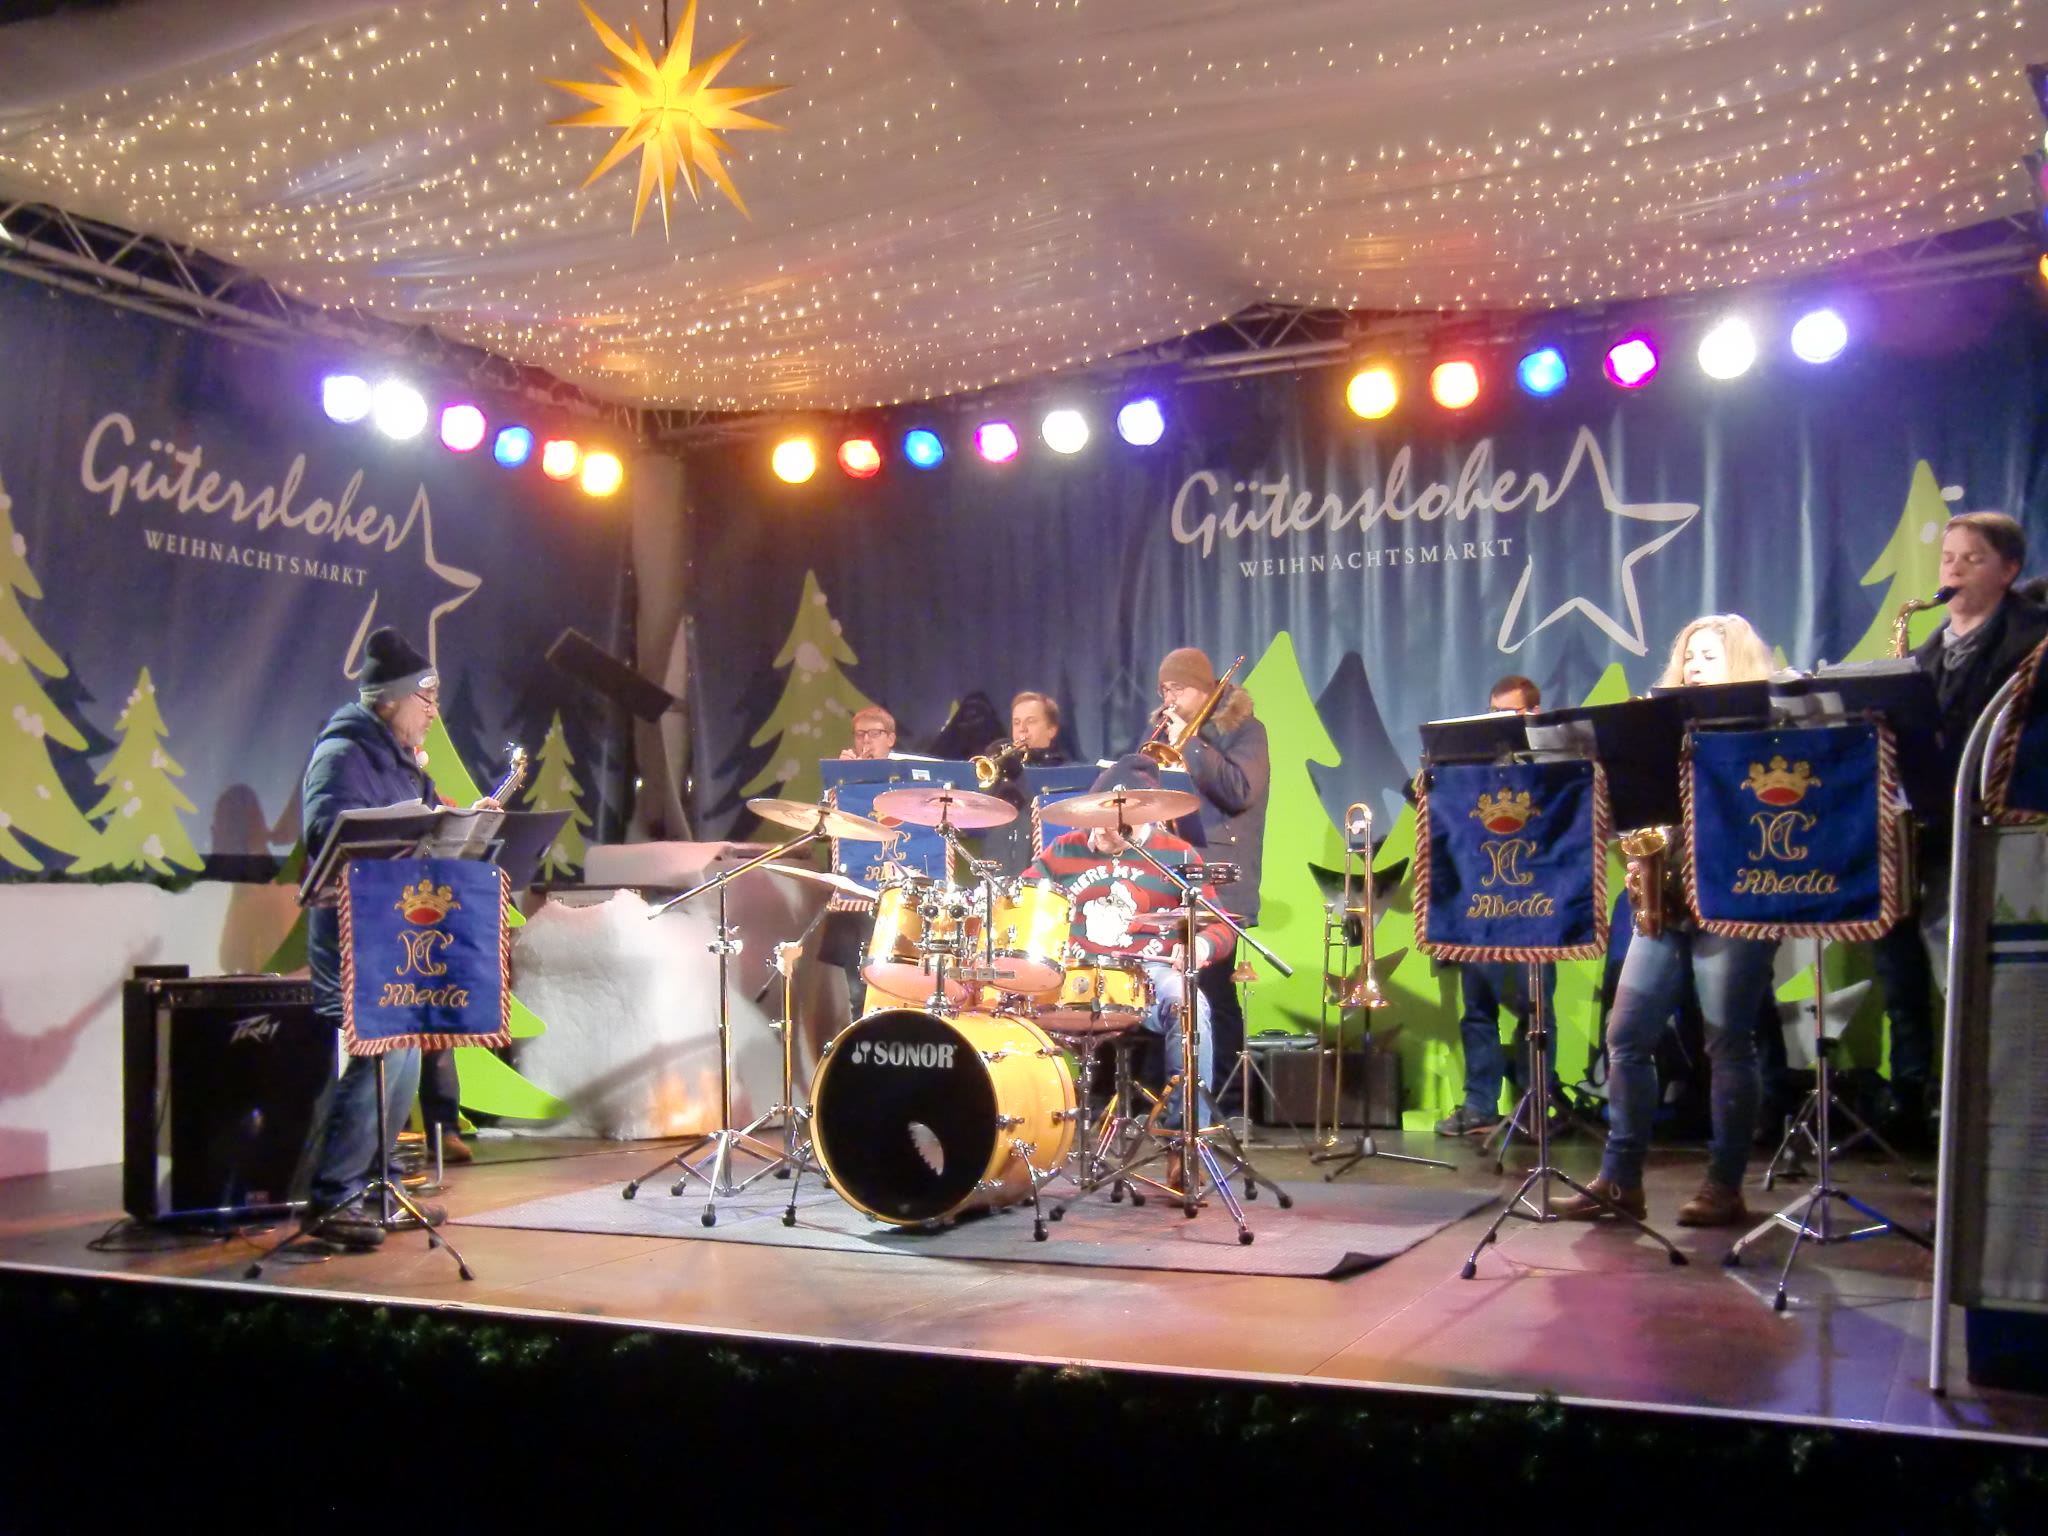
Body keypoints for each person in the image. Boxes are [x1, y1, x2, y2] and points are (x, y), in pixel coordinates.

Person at [1557, 615, 1779, 1227]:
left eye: (1708, 655)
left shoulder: (1763, 725)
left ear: (1738, 663)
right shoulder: (1657, 730)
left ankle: (1724, 1185)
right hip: (1664, 893)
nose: (1694, 665)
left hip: (1735, 895)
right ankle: (1620, 1180)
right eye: (1688, 655)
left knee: (1727, 1040)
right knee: (1627, 1035)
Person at [298, 627, 499, 1248]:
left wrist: (461, 829)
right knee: (379, 1054)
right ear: (388, 699)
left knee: (405, 1050)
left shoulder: (402, 761)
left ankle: (378, 1188)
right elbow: (327, 837)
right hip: (354, 931)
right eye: (425, 697)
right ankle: (335, 1195)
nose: (434, 711)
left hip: (396, 929)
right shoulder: (342, 755)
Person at [1872, 511, 2048, 1148]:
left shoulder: (2036, 643)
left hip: (2002, 831)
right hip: (1929, 830)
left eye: (1972, 558)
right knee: (1919, 969)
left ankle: (1997, 1107)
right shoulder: (1922, 655)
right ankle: (1928, 1100)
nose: (1953, 569)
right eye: (1948, 557)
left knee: (1985, 974)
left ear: (2009, 570)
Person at [1026, 763, 1228, 1116]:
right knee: (1008, 1000)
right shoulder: (1063, 850)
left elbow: (1221, 926)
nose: (1106, 828)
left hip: (1149, 976)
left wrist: (1200, 946)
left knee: (1189, 1005)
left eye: (1119, 822)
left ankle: (1183, 1132)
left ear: (1145, 816)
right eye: (1100, 817)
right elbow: (1023, 902)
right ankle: (1030, 1120)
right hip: (1074, 975)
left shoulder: (1178, 855)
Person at [1435, 675, 1560, 1138]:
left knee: (1535, 1009)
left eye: (1509, 713)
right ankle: (1480, 1105)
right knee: (1478, 1009)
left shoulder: (1554, 763)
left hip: (1534, 903)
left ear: (1532, 714)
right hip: (1482, 900)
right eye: (1494, 713)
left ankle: (1535, 1104)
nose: (1499, 722)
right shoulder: (1471, 765)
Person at [1150, 648, 1269, 1098]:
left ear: (1204, 689)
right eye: (1164, 689)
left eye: (1178, 688)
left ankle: (1227, 1100)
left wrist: (1192, 745)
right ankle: (1169, 1097)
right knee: (1161, 991)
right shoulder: (1161, 730)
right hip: (1165, 873)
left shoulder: (1245, 730)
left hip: (1218, 878)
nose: (1170, 698)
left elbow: (1240, 791)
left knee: (1214, 992)